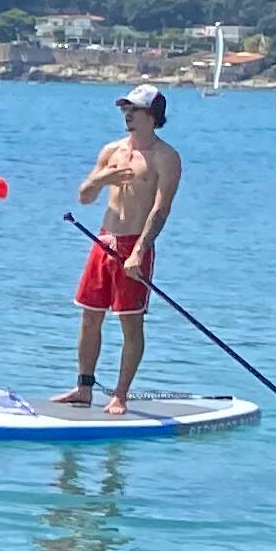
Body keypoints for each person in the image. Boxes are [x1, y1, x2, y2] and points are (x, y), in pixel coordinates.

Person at [56, 84, 180, 413]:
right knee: (89, 317)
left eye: (133, 109)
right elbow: (84, 196)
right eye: (125, 108)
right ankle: (84, 388)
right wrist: (100, 181)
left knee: (130, 323)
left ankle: (120, 395)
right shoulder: (112, 150)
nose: (127, 114)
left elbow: (161, 209)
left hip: (134, 244)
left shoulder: (165, 157)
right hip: (103, 240)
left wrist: (140, 251)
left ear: (151, 115)